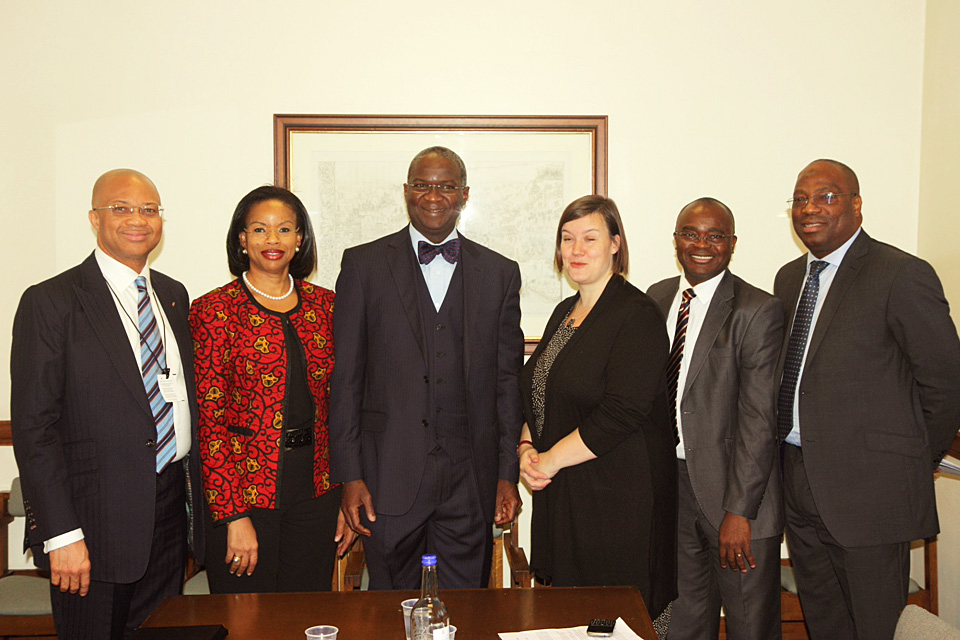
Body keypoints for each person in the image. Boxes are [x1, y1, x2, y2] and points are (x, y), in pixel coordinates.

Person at [10, 169, 205, 639]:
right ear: (95, 218)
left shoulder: (174, 296)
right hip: (91, 527)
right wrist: (61, 535)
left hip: (167, 514)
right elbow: (35, 429)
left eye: (150, 209)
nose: (138, 219)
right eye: (121, 208)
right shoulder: (51, 301)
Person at [776, 159, 960, 639]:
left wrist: (911, 464)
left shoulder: (901, 273)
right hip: (797, 478)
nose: (810, 208)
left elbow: (946, 384)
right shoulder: (789, 278)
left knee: (875, 627)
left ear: (856, 204)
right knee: (825, 622)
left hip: (873, 494)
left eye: (826, 196)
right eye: (799, 199)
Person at [329, 146, 524, 589]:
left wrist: (506, 475)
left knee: (465, 613)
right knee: (389, 611)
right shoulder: (363, 265)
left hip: (468, 482)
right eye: (422, 184)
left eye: (445, 185)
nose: (432, 195)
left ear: (464, 194)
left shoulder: (499, 273)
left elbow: (507, 384)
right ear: (406, 191)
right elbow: (346, 380)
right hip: (387, 478)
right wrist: (350, 475)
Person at [518, 195, 677, 629]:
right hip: (567, 494)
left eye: (590, 238)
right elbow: (536, 391)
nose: (576, 250)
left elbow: (622, 413)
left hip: (619, 501)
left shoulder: (637, 314)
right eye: (567, 239)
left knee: (618, 624)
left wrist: (548, 460)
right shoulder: (563, 313)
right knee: (571, 620)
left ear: (615, 245)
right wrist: (526, 447)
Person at [190, 186, 353, 593]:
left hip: (316, 495)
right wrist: (232, 516)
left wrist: (343, 498)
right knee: (246, 621)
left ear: (300, 238)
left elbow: (344, 407)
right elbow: (208, 422)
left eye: (284, 229)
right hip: (245, 497)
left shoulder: (327, 307)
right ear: (242, 238)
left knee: (305, 615)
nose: (272, 240)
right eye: (259, 230)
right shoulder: (213, 310)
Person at [647, 198, 783, 640]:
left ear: (732, 244)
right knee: (684, 622)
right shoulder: (658, 296)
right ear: (675, 240)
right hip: (676, 488)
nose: (702, 244)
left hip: (737, 497)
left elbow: (759, 420)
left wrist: (739, 512)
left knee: (749, 625)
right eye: (691, 233)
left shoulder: (756, 310)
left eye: (715, 236)